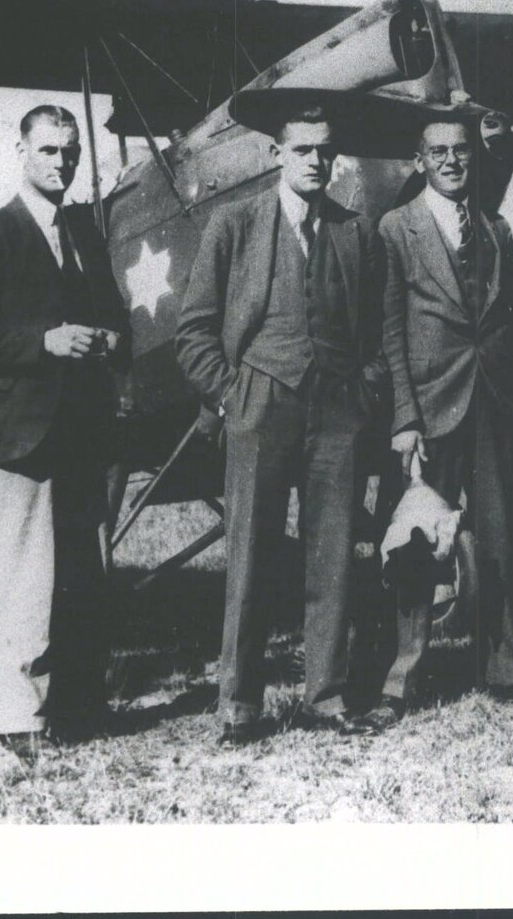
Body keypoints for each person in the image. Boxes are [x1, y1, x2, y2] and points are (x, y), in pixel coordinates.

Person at [175, 97, 391, 745]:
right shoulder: (233, 224)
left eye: (325, 150)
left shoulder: (354, 232)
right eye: (303, 149)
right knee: (250, 558)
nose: (316, 161)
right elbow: (193, 333)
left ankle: (325, 696)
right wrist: (231, 397)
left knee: (333, 559)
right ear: (277, 154)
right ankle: (239, 704)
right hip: (259, 408)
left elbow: (379, 335)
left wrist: (363, 395)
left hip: (335, 417)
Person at [0, 105, 129, 752]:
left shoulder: (84, 232)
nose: (61, 163)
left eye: (70, 152)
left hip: (81, 432)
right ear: (21, 150)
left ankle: (78, 704)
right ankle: (19, 717)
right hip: (21, 434)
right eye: (49, 151)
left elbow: (112, 313)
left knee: (82, 575)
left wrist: (109, 337)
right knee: (23, 578)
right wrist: (44, 342)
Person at [373, 115, 513, 725]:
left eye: (461, 151)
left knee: (500, 540)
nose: (452, 161)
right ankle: (403, 678)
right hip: (427, 410)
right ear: (419, 161)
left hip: (495, 402)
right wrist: (403, 417)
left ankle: (506, 668)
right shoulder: (396, 229)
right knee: (416, 544)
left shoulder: (494, 227)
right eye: (438, 152)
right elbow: (388, 329)